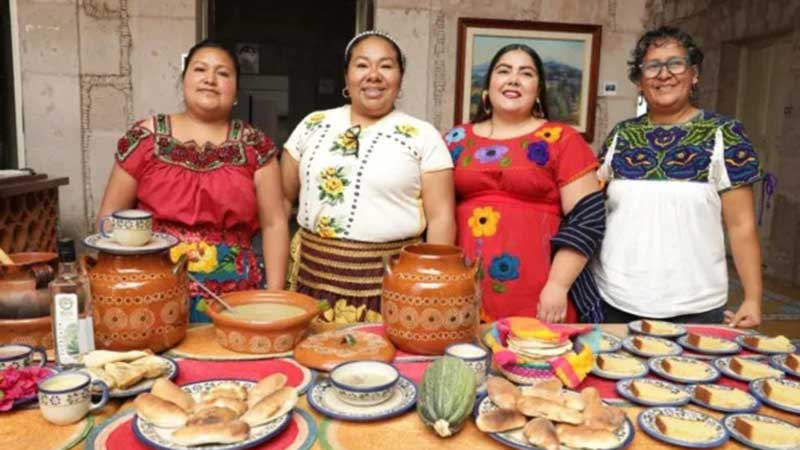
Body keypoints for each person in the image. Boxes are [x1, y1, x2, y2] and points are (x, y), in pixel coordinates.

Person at [98, 39, 289, 322]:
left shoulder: (255, 145)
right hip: (154, 287)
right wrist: (119, 284)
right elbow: (109, 219)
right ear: (183, 80)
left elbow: (274, 223)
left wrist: (274, 297)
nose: (210, 80)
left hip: (237, 293)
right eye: (200, 69)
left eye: (223, 73)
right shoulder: (146, 138)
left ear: (236, 89)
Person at [281, 30, 455, 324]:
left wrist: (429, 288)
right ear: (347, 76)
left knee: (382, 368)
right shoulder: (313, 125)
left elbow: (441, 218)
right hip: (310, 281)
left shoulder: (423, 136)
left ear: (400, 79)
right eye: (362, 65)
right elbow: (283, 200)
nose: (374, 75)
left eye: (386, 66)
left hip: (393, 287)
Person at [592, 26, 763, 327]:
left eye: (676, 63)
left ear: (694, 74)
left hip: (695, 305)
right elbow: (591, 205)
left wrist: (752, 297)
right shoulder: (621, 135)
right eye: (652, 66)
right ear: (640, 81)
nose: (664, 74)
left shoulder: (725, 133)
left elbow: (741, 226)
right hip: (614, 299)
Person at [445, 44, 605, 324]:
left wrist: (558, 285)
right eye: (503, 71)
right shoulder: (455, 140)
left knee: (535, 364)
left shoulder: (562, 139)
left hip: (542, 291)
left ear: (538, 90)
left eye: (526, 73)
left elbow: (587, 219)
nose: (513, 79)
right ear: (489, 84)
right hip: (461, 288)